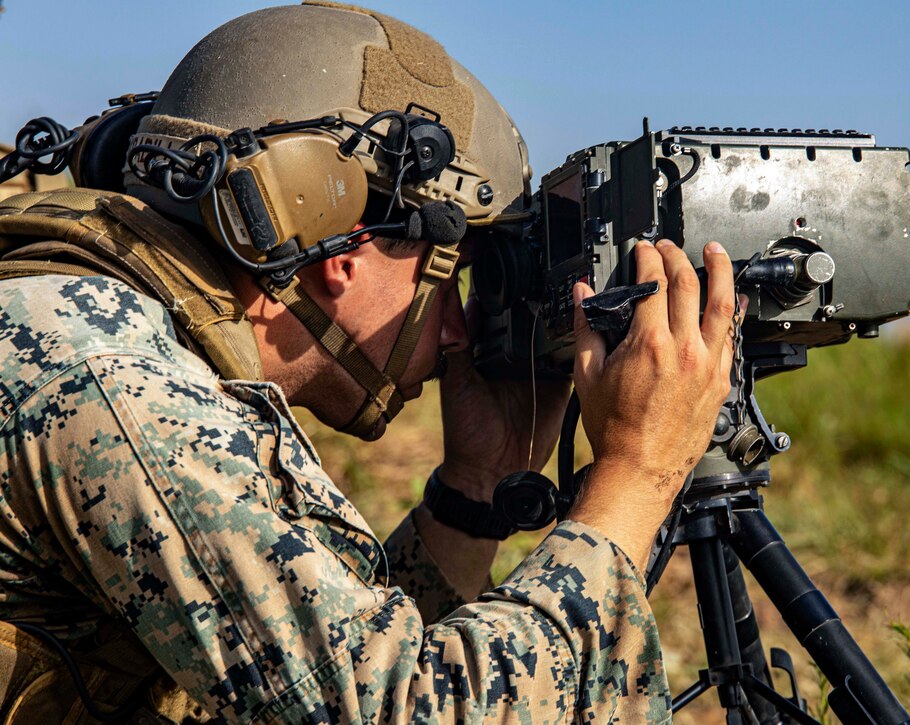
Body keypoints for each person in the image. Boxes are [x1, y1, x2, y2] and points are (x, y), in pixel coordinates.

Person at [0, 3, 740, 722]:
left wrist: (475, 488)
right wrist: (636, 476)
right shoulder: (112, 377)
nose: (457, 329)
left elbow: (310, 667)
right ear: (346, 247)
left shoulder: (106, 334)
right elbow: (396, 710)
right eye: (452, 273)